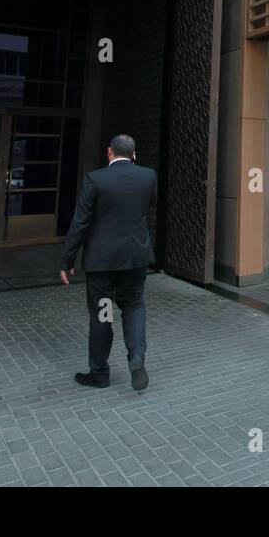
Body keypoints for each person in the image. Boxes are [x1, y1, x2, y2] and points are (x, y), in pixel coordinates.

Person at [61, 134, 157, 391]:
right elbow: (150, 207)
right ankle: (136, 357)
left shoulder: (95, 179)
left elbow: (80, 222)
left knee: (102, 314)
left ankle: (100, 373)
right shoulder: (148, 176)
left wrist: (67, 259)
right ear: (134, 154)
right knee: (134, 305)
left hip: (102, 261)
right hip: (135, 257)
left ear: (109, 152)